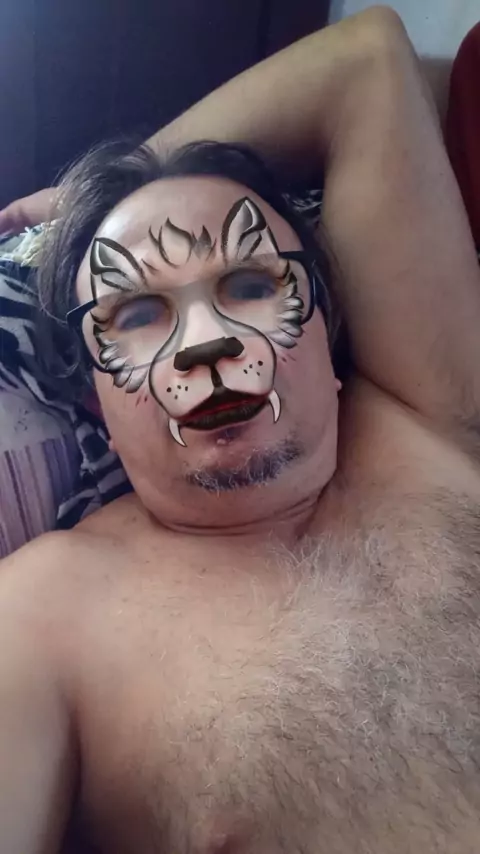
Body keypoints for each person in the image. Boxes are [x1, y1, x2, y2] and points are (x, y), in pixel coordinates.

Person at [2, 7, 480, 853]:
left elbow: (364, 58)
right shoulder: (44, 613)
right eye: (136, 313)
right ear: (96, 403)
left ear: (328, 333)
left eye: (253, 285)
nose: (208, 342)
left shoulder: (424, 415)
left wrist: (85, 197)